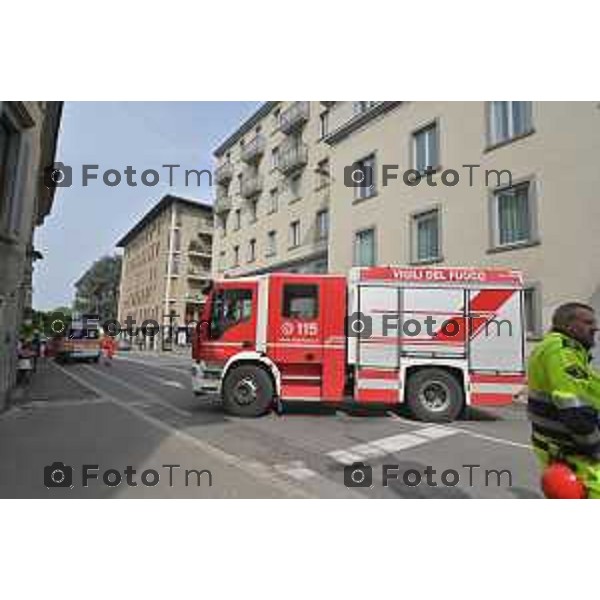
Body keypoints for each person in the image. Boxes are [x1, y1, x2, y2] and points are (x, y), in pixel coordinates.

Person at [527, 302, 600, 498]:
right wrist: (595, 448)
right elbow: (575, 411)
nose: (595, 327)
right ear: (568, 325)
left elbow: (588, 390)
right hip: (577, 454)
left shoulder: (571, 352)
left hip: (564, 449)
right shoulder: (561, 350)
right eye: (588, 322)